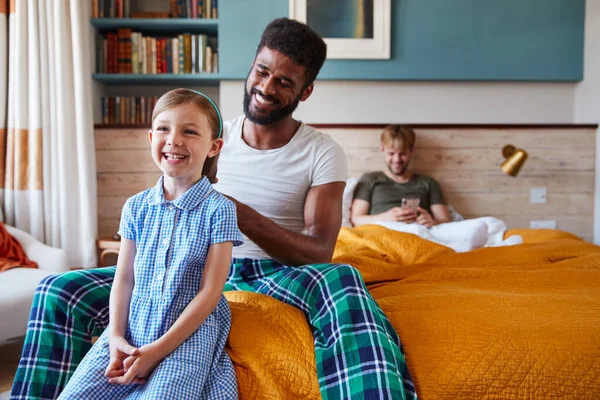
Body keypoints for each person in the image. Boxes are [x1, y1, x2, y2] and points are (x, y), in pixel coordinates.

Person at [11, 19, 417, 400]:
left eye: (284, 82)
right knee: (57, 289)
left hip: (272, 272)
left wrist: (236, 211)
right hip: (184, 267)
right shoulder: (204, 132)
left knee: (342, 278)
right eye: (261, 71)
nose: (266, 87)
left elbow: (318, 252)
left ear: (305, 91)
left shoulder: (321, 151)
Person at [57, 88, 243, 399]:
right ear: (150, 138)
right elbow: (124, 278)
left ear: (214, 146)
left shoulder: (220, 210)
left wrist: (156, 351)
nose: (174, 140)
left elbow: (211, 293)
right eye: (163, 129)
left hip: (187, 335)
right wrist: (115, 336)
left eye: (190, 131)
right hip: (132, 327)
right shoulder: (135, 207)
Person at [351, 125, 522, 252]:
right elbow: (356, 219)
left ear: (411, 151)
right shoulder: (371, 180)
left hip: (427, 229)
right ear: (382, 150)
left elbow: (444, 220)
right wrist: (386, 217)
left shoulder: (427, 182)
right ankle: (464, 249)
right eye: (391, 153)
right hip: (388, 230)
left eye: (402, 153)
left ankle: (478, 245)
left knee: (490, 223)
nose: (397, 159)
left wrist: (431, 220)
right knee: (415, 231)